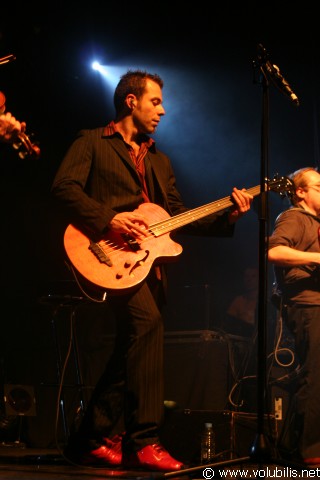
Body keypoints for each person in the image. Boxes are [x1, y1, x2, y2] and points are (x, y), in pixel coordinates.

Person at [51, 69, 253, 471]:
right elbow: (64, 189)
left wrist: (226, 217)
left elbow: (178, 217)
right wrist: (109, 219)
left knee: (134, 347)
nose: (163, 110)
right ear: (131, 101)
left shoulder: (160, 160)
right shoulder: (92, 141)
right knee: (148, 328)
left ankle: (88, 439)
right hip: (106, 253)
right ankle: (144, 440)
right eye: (155, 101)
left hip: (144, 265)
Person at [268, 166, 320, 468]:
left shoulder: (314, 222)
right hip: (307, 305)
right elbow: (274, 252)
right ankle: (310, 450)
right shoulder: (294, 218)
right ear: (300, 192)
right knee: (314, 375)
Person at [224, 265, 259, 337]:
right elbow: (228, 322)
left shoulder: (266, 302)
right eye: (246, 276)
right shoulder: (239, 300)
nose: (249, 279)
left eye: (253, 276)